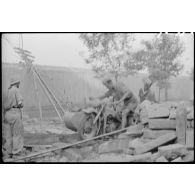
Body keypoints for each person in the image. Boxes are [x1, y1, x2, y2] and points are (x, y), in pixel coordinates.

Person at [3, 76, 24, 159]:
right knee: (17, 134)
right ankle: (17, 152)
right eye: (19, 82)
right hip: (15, 113)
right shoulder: (15, 89)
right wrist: (21, 105)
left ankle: (8, 152)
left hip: (7, 114)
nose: (19, 84)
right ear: (16, 83)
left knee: (8, 135)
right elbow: (20, 103)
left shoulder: (7, 90)